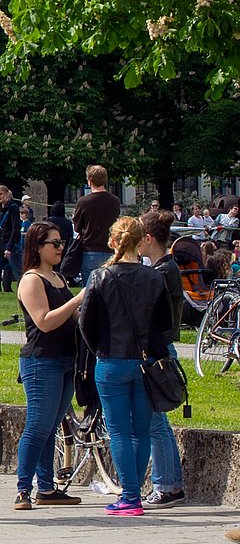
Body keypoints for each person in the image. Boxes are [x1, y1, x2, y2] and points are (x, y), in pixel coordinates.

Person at [78, 215, 172, 516]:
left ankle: (130, 495)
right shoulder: (154, 277)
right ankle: (135, 494)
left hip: (111, 359)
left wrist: (100, 351)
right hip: (144, 362)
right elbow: (165, 324)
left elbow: (86, 323)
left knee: (118, 431)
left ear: (113, 241)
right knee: (141, 431)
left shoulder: (100, 276)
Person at [13, 219, 84, 511]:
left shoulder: (58, 278)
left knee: (51, 427)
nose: (60, 248)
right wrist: (77, 300)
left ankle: (46, 487)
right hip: (41, 360)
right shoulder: (32, 280)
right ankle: (22, 488)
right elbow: (44, 321)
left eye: (61, 243)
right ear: (37, 246)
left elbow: (70, 318)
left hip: (66, 359)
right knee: (38, 426)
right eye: (54, 243)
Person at [134, 211, 186, 509]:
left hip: (158, 351)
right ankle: (171, 484)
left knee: (155, 423)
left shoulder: (162, 272)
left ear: (148, 239)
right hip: (160, 348)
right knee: (159, 423)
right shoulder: (164, 267)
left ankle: (166, 486)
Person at [72, 164, 121, 281]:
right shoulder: (115, 201)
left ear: (89, 181)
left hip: (90, 250)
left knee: (89, 291)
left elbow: (77, 228)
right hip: (110, 249)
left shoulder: (83, 202)